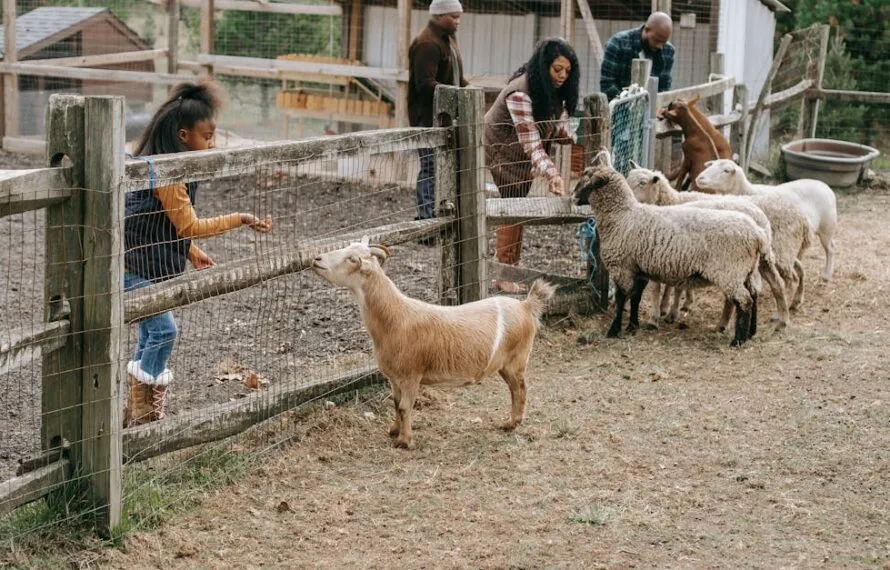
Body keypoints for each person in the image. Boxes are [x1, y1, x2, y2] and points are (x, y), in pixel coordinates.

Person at [123, 81, 273, 427]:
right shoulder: (168, 173)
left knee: (151, 333)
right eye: (207, 136)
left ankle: (137, 414)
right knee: (163, 331)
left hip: (147, 262)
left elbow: (165, 225)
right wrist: (241, 218)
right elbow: (187, 224)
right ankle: (146, 415)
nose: (212, 143)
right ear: (183, 136)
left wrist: (190, 252)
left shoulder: (171, 167)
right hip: (134, 266)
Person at [483, 37, 580, 293]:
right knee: (512, 205)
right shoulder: (520, 93)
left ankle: (511, 265)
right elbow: (531, 143)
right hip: (503, 151)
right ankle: (504, 273)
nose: (562, 76)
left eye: (568, 71)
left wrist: (564, 133)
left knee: (518, 205)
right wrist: (553, 174)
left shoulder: (547, 90)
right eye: (557, 69)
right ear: (543, 65)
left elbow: (547, 125)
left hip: (520, 153)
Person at [408, 0, 469, 236]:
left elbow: (454, 77)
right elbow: (425, 85)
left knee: (441, 167)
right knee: (430, 167)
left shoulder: (446, 39)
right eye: (453, 17)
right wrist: (457, 95)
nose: (457, 21)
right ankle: (426, 220)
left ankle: (437, 217)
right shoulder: (428, 44)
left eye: (459, 17)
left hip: (442, 116)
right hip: (427, 117)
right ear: (438, 16)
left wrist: (468, 90)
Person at [600, 11, 674, 102]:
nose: (660, 46)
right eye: (657, 40)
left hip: (652, 109)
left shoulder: (668, 51)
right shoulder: (618, 43)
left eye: (664, 42)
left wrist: (656, 106)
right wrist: (631, 105)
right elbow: (607, 85)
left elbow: (664, 88)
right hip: (619, 109)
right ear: (647, 30)